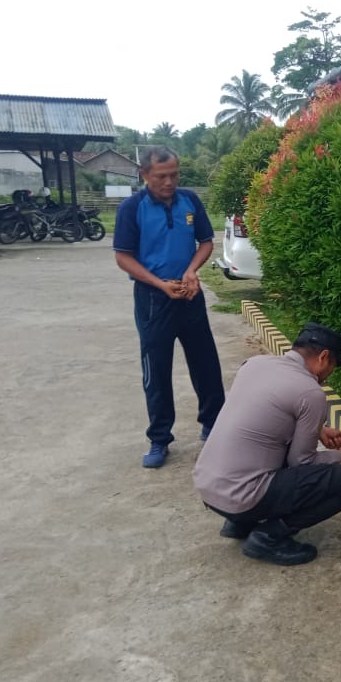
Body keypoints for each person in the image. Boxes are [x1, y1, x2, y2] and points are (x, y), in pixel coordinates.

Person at [193, 323, 341, 566]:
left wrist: (318, 430)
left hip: (208, 485)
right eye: (333, 366)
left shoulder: (255, 364)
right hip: (243, 496)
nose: (330, 374)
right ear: (323, 357)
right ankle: (268, 537)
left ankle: (239, 523)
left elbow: (265, 416)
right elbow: (303, 463)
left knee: (264, 447)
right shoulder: (310, 392)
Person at [114, 146, 226, 468]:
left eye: (174, 175)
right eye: (161, 176)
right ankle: (159, 438)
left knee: (206, 363)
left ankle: (214, 424)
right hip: (153, 298)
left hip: (189, 293)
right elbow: (123, 257)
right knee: (157, 370)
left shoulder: (189, 200)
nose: (169, 182)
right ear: (144, 174)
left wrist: (191, 271)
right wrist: (160, 284)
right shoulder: (131, 208)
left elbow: (206, 242)